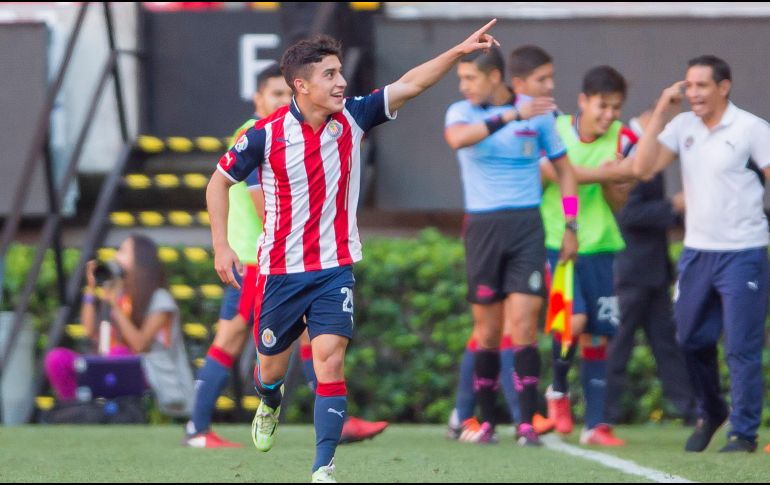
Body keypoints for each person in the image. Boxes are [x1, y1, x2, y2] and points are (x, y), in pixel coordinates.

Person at [206, 21, 501, 482]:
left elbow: (412, 83)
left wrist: (457, 51)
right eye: (329, 75)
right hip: (280, 271)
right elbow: (218, 182)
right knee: (271, 371)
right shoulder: (264, 135)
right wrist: (221, 246)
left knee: (330, 358)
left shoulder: (355, 117)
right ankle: (269, 401)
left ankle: (323, 467)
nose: (341, 82)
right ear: (301, 86)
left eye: (340, 72)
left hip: (333, 269)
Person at [186, 64, 387, 448]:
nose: (281, 100)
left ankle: (335, 419)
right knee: (229, 340)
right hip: (256, 260)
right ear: (258, 99)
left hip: (281, 260)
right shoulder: (257, 134)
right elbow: (263, 206)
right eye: (274, 94)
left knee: (315, 335)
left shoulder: (292, 133)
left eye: (284, 93)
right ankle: (197, 428)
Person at [633, 55, 770, 453]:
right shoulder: (682, 127)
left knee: (741, 347)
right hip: (697, 253)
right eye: (688, 85)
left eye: (701, 86)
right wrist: (661, 109)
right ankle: (712, 410)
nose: (692, 93)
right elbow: (642, 168)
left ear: (723, 87)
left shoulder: (751, 129)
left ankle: (743, 433)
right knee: (690, 338)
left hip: (743, 252)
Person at [444, 44, 578, 447]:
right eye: (461, 79)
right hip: (483, 229)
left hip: (526, 227)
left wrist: (570, 224)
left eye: (471, 78)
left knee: (523, 328)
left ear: (495, 77)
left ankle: (525, 422)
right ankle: (486, 423)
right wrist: (510, 116)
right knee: (486, 332)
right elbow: (458, 139)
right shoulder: (462, 111)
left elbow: (566, 172)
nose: (464, 86)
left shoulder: (536, 115)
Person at [539, 65, 637, 446]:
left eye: (615, 107)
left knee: (598, 336)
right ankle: (558, 391)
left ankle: (595, 425)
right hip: (557, 242)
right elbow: (551, 173)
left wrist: (620, 180)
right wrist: (608, 172)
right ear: (583, 101)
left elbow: (619, 200)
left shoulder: (622, 136)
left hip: (602, 244)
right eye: (602, 106)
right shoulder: (556, 128)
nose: (609, 115)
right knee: (574, 320)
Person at [603, 108, 696, 427]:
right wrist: (674, 205)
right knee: (619, 342)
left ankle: (690, 409)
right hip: (630, 270)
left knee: (666, 343)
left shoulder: (652, 159)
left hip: (655, 270)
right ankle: (604, 412)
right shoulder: (632, 158)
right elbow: (628, 214)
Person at [45, 234, 195, 418]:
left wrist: (115, 305)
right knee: (57, 358)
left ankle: (117, 413)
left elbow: (140, 345)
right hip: (108, 362)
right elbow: (89, 330)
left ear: (140, 259)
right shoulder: (119, 291)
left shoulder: (159, 299)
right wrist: (92, 289)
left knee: (119, 356)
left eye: (123, 251)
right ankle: (76, 410)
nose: (116, 256)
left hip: (146, 369)